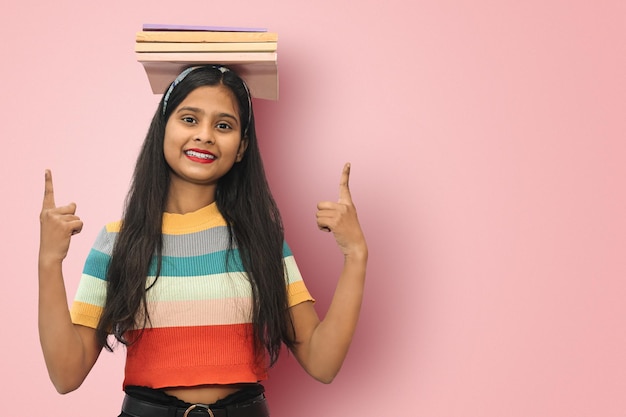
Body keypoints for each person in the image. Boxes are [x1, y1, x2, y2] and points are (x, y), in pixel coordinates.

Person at [38, 65, 367, 417]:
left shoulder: (261, 242)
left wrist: (356, 255)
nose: (205, 135)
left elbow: (322, 362)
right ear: (163, 127)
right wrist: (49, 261)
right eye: (190, 119)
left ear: (241, 148)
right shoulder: (117, 242)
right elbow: (66, 375)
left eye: (223, 125)